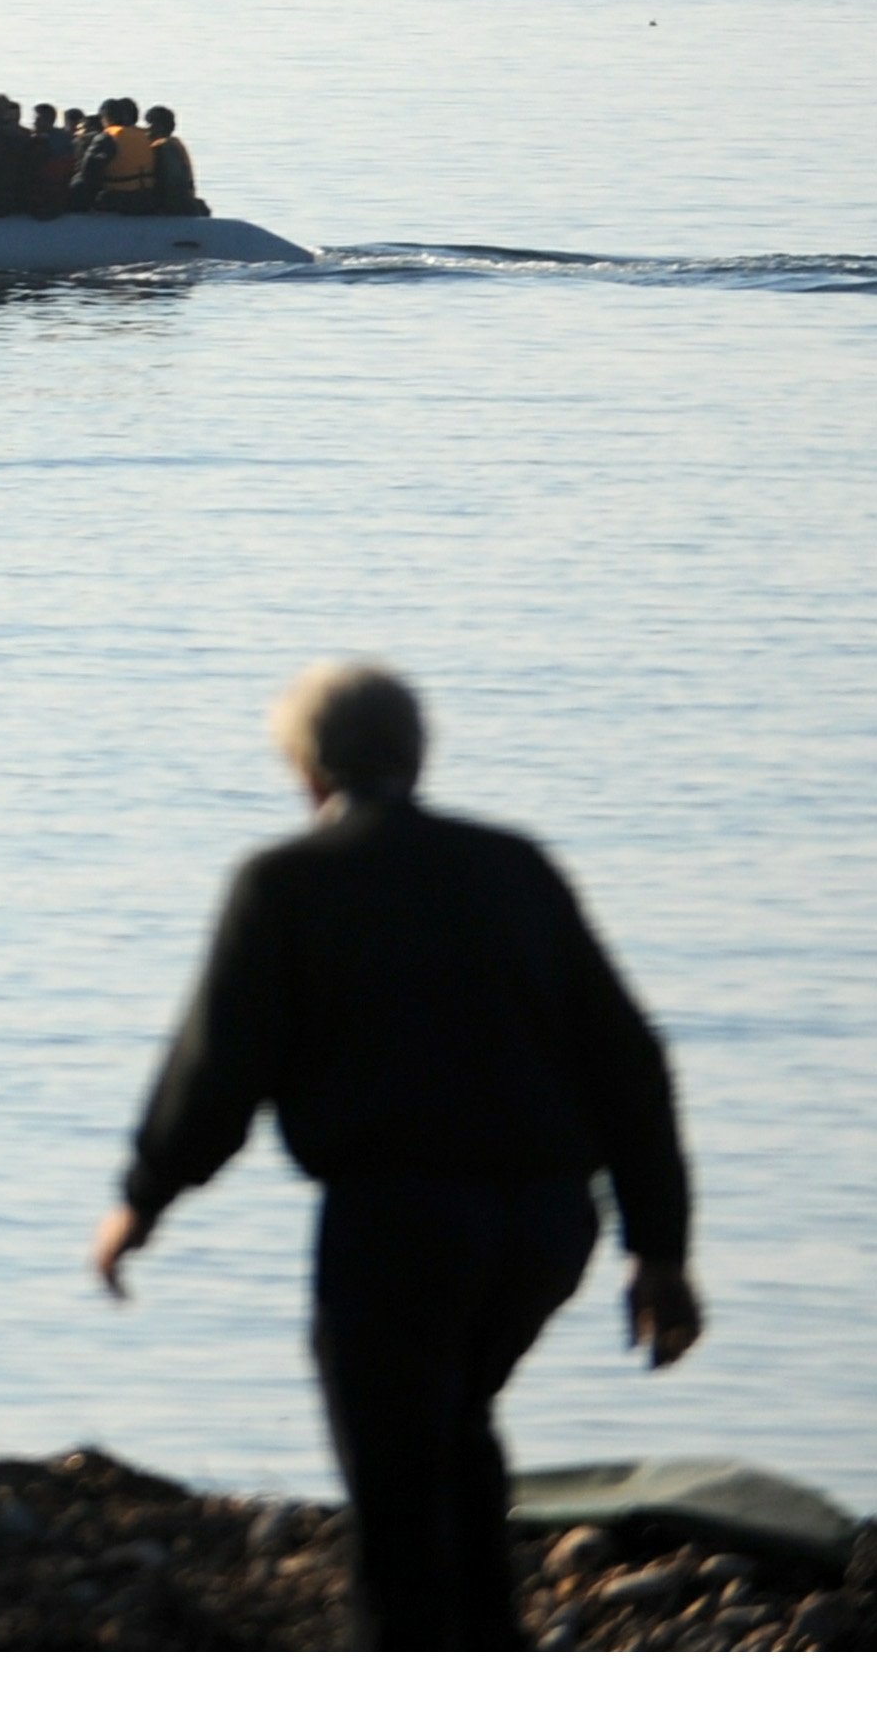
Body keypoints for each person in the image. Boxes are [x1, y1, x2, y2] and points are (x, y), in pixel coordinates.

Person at [93, 663, 699, 1650]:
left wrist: (142, 1200)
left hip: (400, 1223)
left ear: (304, 770)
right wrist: (660, 1251)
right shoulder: (517, 867)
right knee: (455, 1430)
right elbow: (628, 1062)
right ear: (418, 757)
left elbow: (219, 1069)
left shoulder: (285, 883)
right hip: (547, 1225)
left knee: (394, 1490)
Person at [145, 106, 206, 215]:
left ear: (157, 127)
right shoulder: (174, 143)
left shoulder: (163, 148)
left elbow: (174, 182)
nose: (146, 131)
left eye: (148, 126)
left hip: (174, 207)